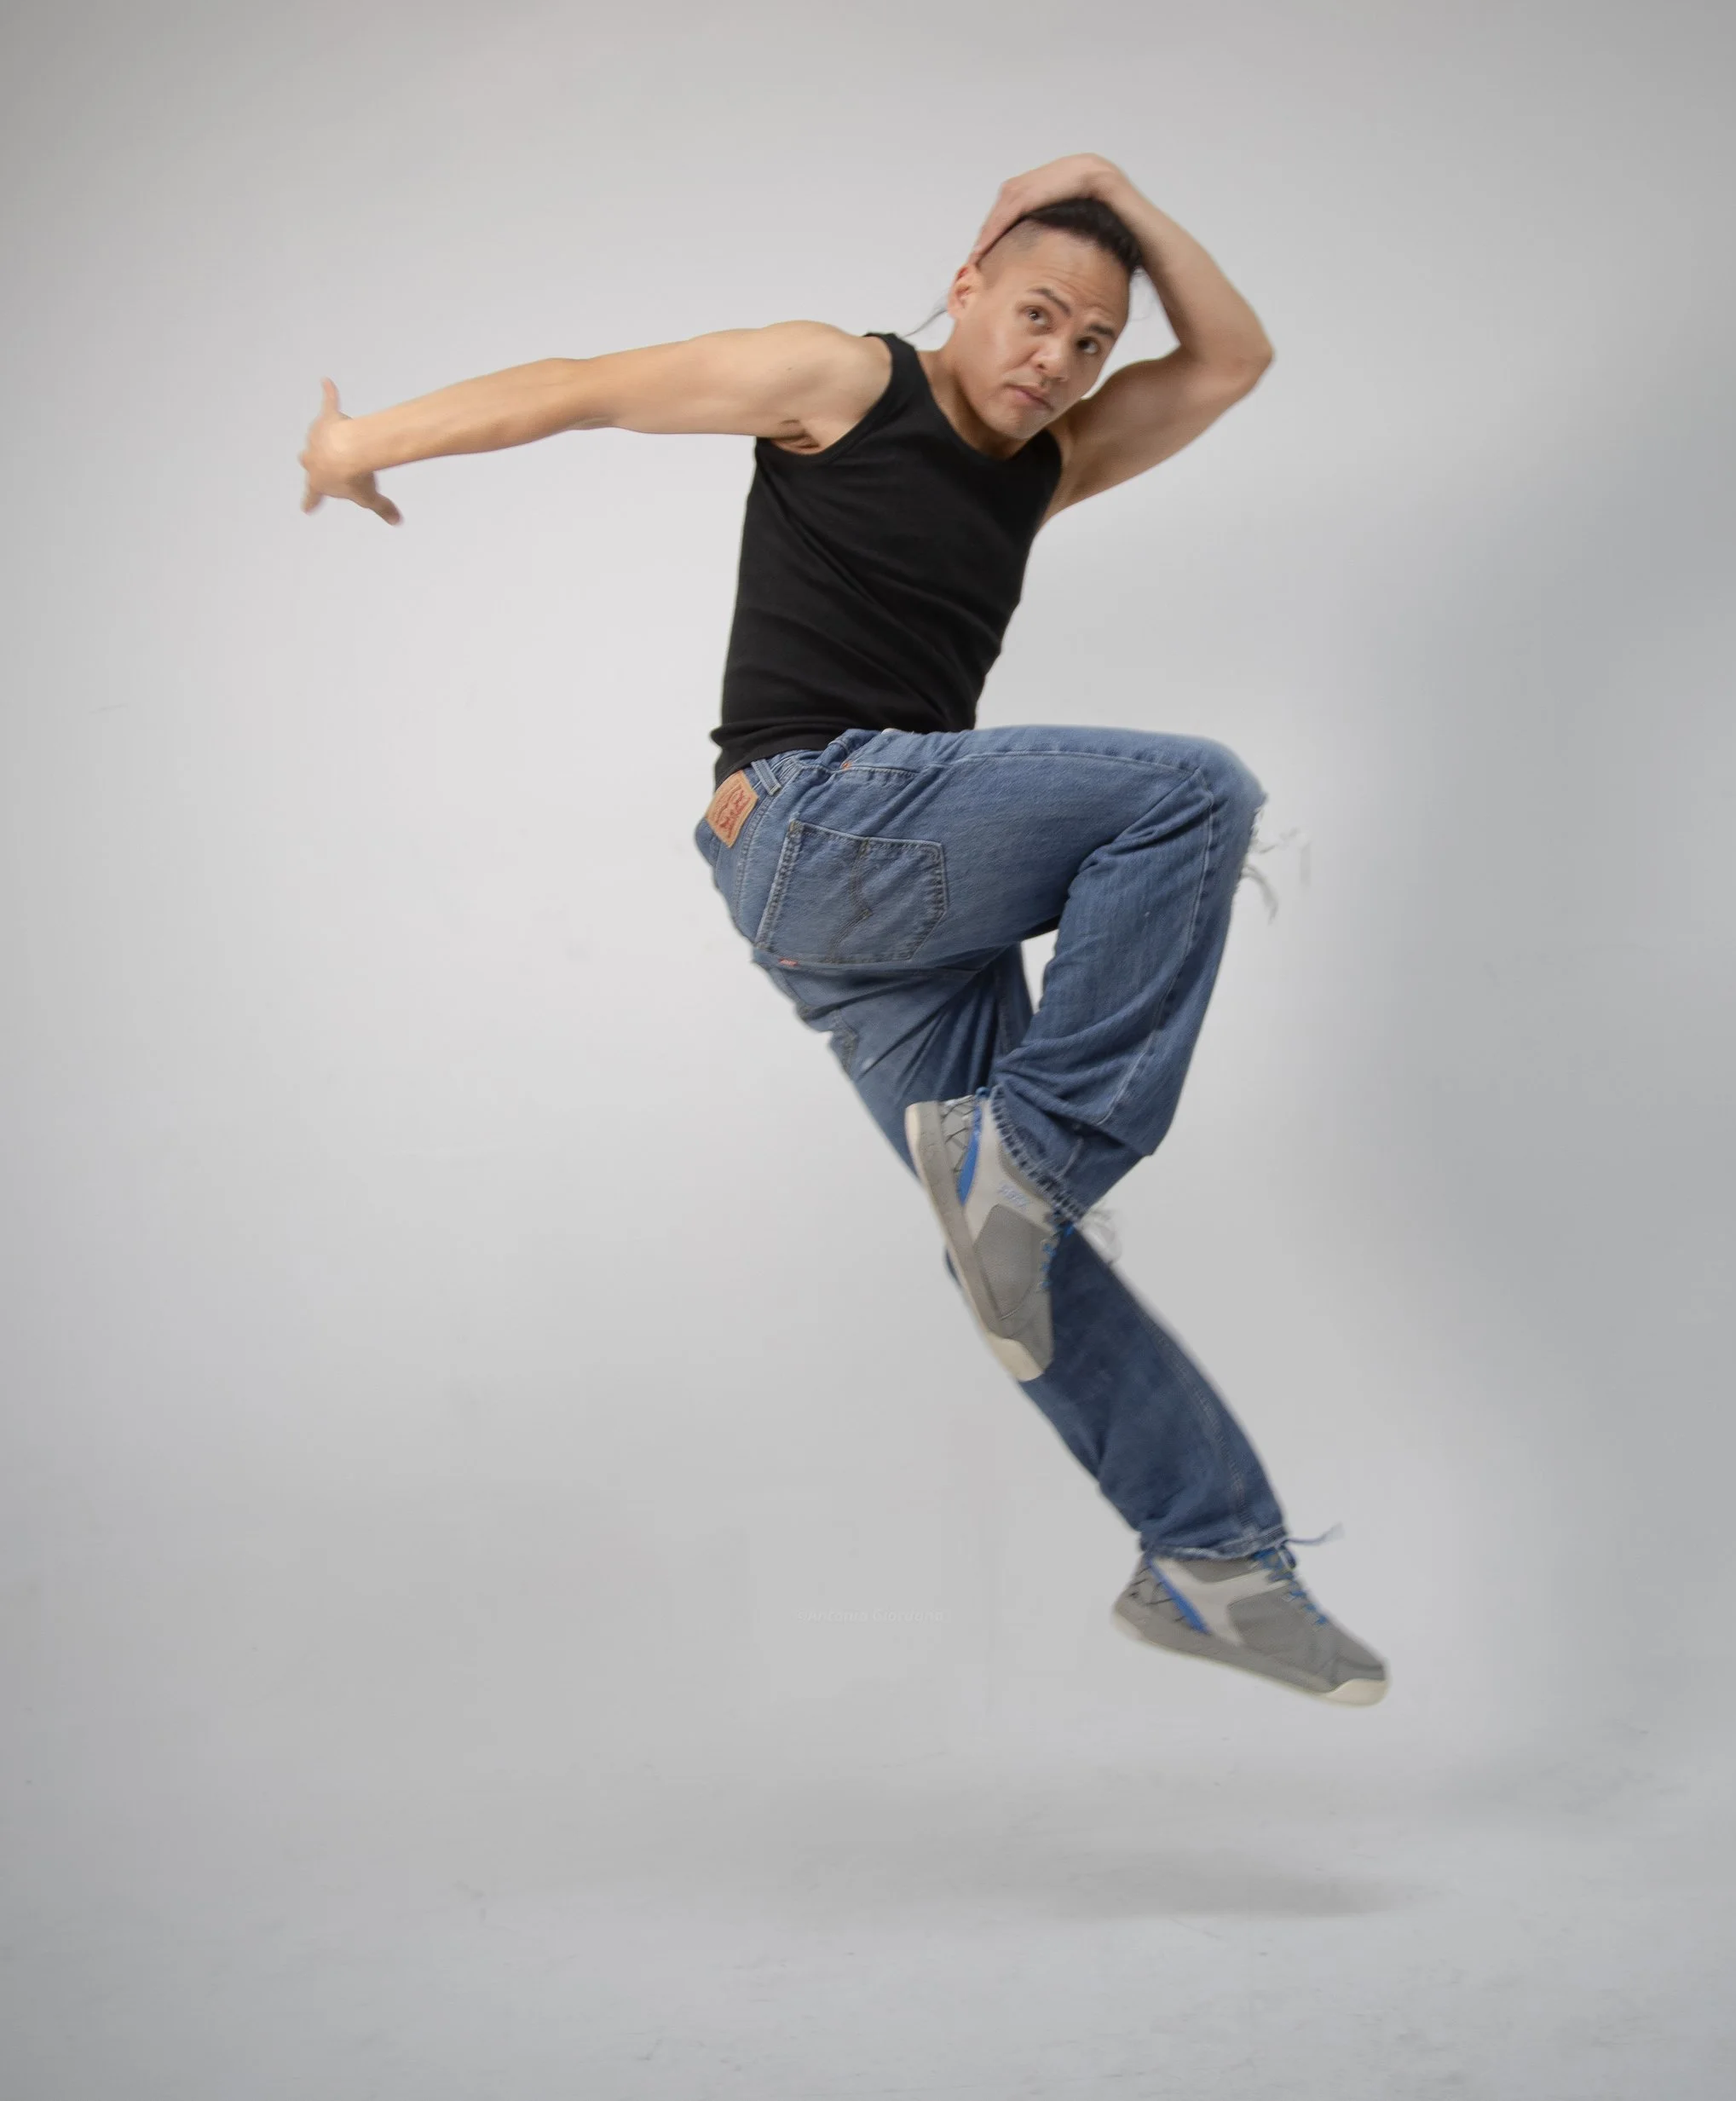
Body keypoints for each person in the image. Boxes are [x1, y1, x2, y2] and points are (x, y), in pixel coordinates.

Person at [299, 153, 1387, 1706]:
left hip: (894, 900)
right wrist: (359, 440)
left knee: (1021, 1253)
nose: (1057, 360)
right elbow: (589, 387)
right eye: (1035, 315)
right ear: (964, 287)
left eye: (1088, 341)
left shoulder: (1052, 460)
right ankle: (1034, 1156)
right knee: (1191, 798)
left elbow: (1230, 361)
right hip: (814, 817)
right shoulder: (841, 379)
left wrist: (1118, 197)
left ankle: (1213, 1559)